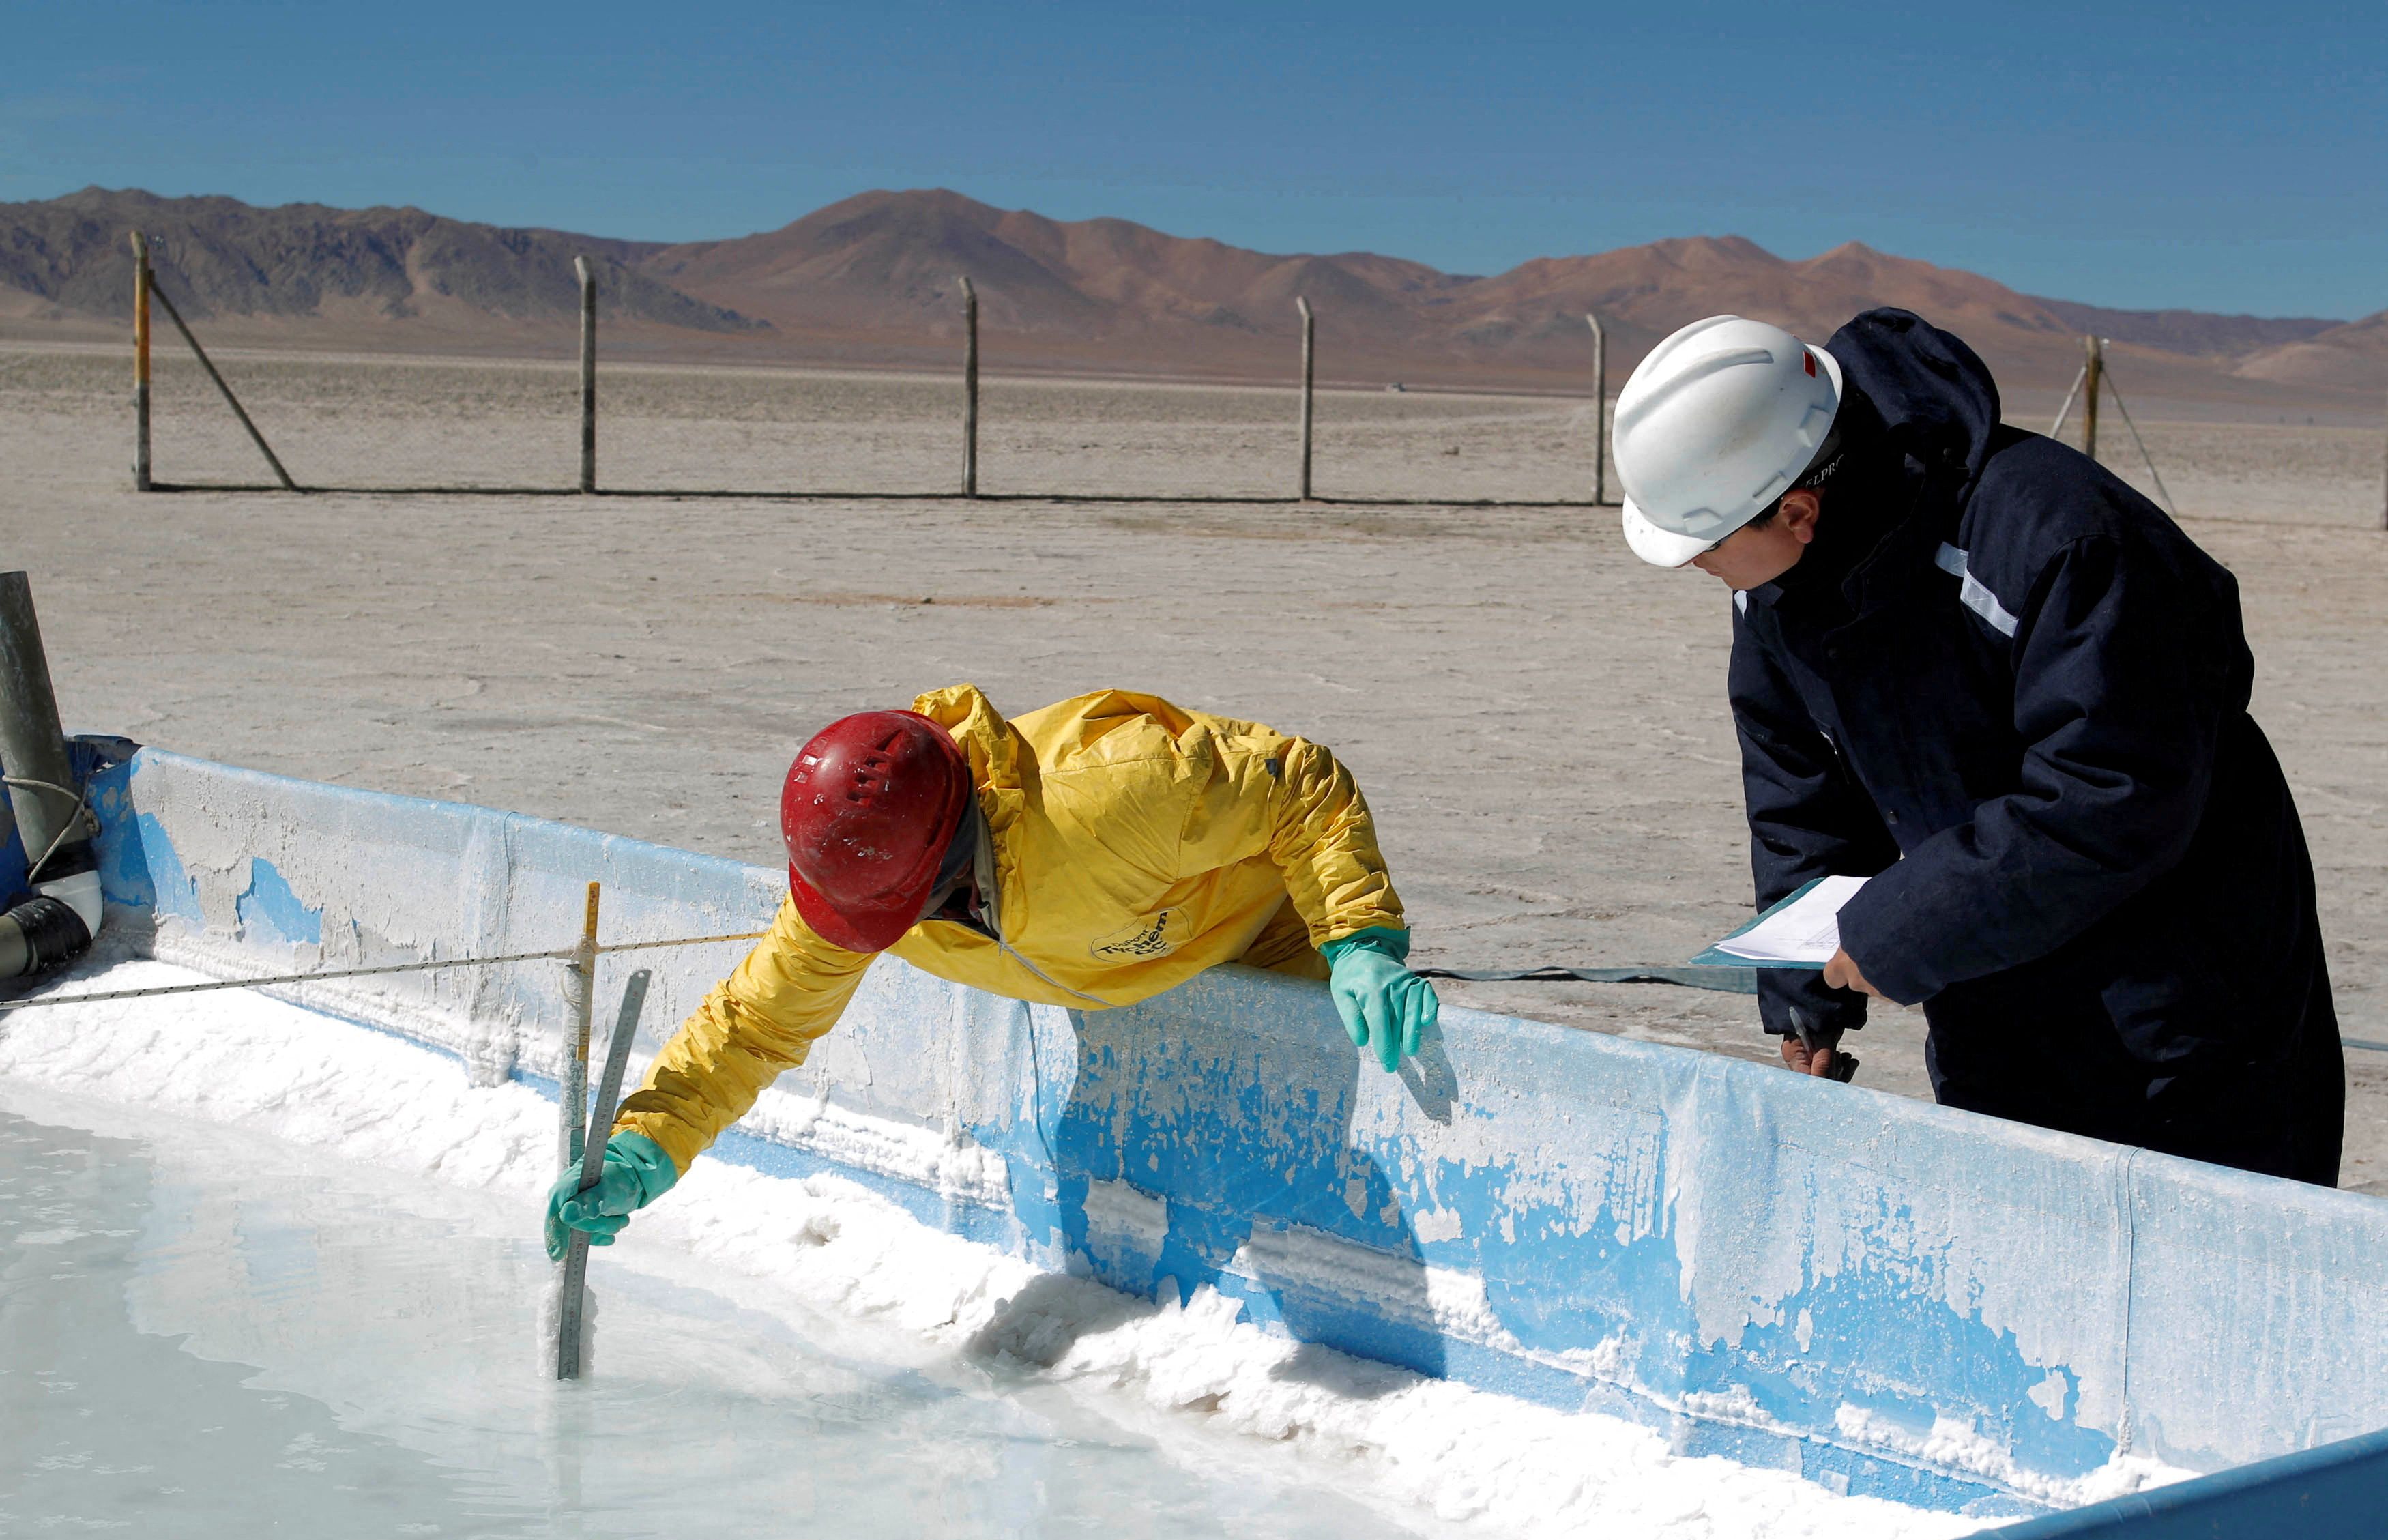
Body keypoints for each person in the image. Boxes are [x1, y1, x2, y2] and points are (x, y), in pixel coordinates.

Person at [1611, 308, 2342, 1185]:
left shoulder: (2066, 543)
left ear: (1799, 509)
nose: (1697, 568)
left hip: (2182, 1008)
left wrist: (1901, 927)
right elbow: (1796, 786)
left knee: (2211, 1284)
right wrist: (1805, 995)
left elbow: (2111, 796)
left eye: (1704, 549)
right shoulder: (1773, 590)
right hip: (1987, 986)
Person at [546, 683, 1439, 1254]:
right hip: (1113, 960)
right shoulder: (863, 885)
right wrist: (645, 1146)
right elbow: (756, 1022)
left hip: (1266, 939)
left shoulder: (1115, 792)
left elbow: (1300, 786)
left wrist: (1358, 937)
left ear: (943, 865)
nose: (879, 936)